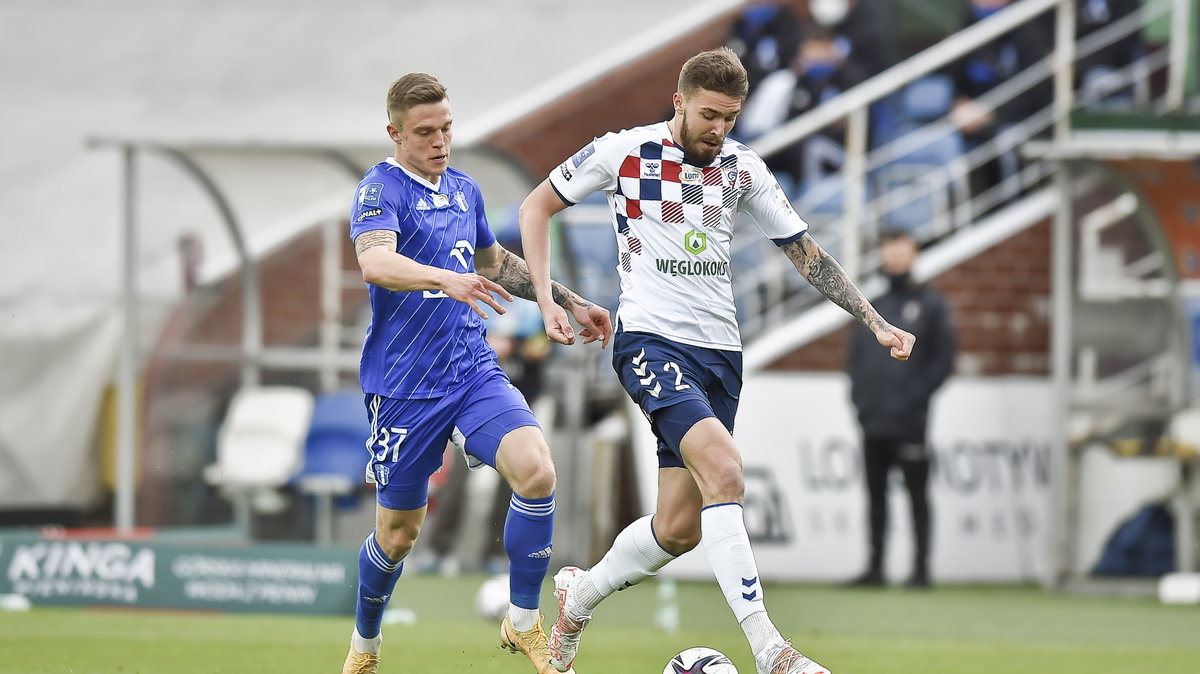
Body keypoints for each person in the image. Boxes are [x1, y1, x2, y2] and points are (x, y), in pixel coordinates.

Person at [518, 47, 915, 674]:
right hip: (650, 340)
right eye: (708, 115)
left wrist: (874, 319)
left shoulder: (742, 169)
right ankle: (770, 649)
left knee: (679, 527)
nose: (718, 129)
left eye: (729, 118)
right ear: (679, 100)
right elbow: (534, 207)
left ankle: (579, 595)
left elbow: (805, 252)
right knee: (725, 474)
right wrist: (549, 300)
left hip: (720, 354)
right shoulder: (626, 151)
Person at [340, 72, 612, 674]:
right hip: (405, 385)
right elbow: (375, 262)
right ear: (395, 133)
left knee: (537, 470)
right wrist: (444, 278)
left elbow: (497, 264)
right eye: (425, 132)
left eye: (446, 129)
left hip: (470, 370)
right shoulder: (379, 191)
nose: (440, 142)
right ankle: (365, 645)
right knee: (399, 533)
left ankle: (522, 623)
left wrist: (561, 300)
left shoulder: (464, 190)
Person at [844, 230, 955, 589]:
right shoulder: (872, 305)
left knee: (917, 495)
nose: (896, 259)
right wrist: (860, 401)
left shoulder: (932, 305)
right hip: (873, 420)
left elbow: (943, 361)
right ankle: (875, 568)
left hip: (911, 422)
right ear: (882, 255)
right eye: (890, 252)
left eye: (902, 252)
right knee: (876, 496)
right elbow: (856, 361)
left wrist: (915, 399)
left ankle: (921, 571)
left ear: (914, 255)